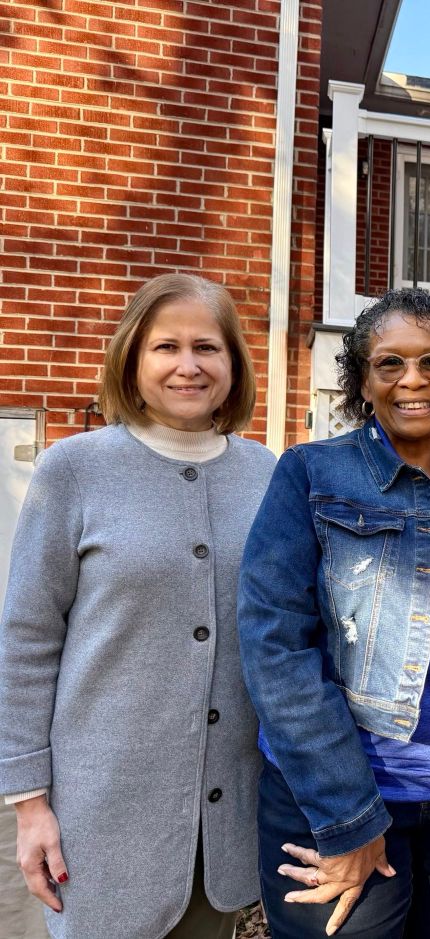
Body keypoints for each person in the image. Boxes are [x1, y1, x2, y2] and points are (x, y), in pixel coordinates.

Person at [237, 287, 430, 939]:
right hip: (337, 799)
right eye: (389, 363)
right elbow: (275, 651)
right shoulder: (310, 473)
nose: (413, 379)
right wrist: (349, 816)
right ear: (362, 379)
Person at [0, 273, 276, 939]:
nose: (188, 365)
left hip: (224, 818)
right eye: (166, 347)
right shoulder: (74, 470)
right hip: (100, 812)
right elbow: (27, 638)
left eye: (207, 347)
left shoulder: (268, 473)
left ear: (233, 363)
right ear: (132, 357)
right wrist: (28, 802)